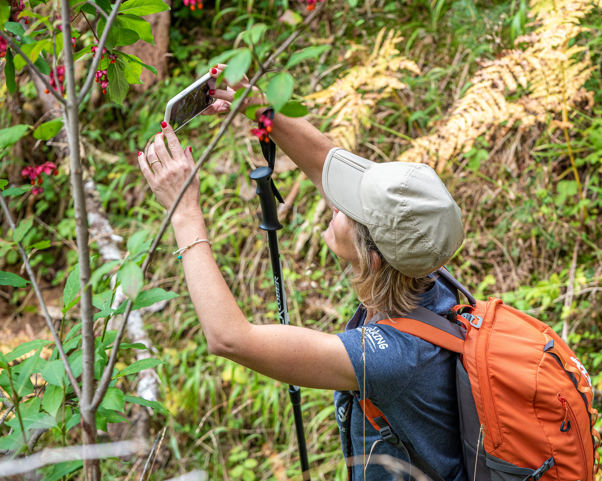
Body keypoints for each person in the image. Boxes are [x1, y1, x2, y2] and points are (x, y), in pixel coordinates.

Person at [138, 65, 467, 480]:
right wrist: (257, 105)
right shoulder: (425, 264)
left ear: (373, 256)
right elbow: (323, 161)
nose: (332, 202)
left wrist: (184, 212)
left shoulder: (392, 359)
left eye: (346, 207)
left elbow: (230, 338)